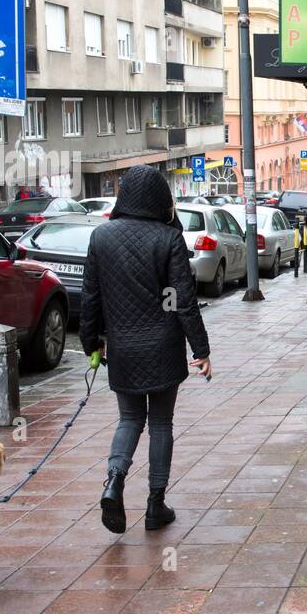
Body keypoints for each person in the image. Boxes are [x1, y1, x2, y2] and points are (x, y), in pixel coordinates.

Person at [79, 165, 211, 533]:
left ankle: (114, 481)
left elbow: (91, 299)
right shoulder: (168, 239)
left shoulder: (101, 238)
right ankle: (155, 504)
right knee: (161, 423)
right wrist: (201, 350)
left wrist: (92, 343)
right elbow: (181, 300)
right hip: (163, 345)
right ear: (159, 200)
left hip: (123, 348)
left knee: (129, 420)